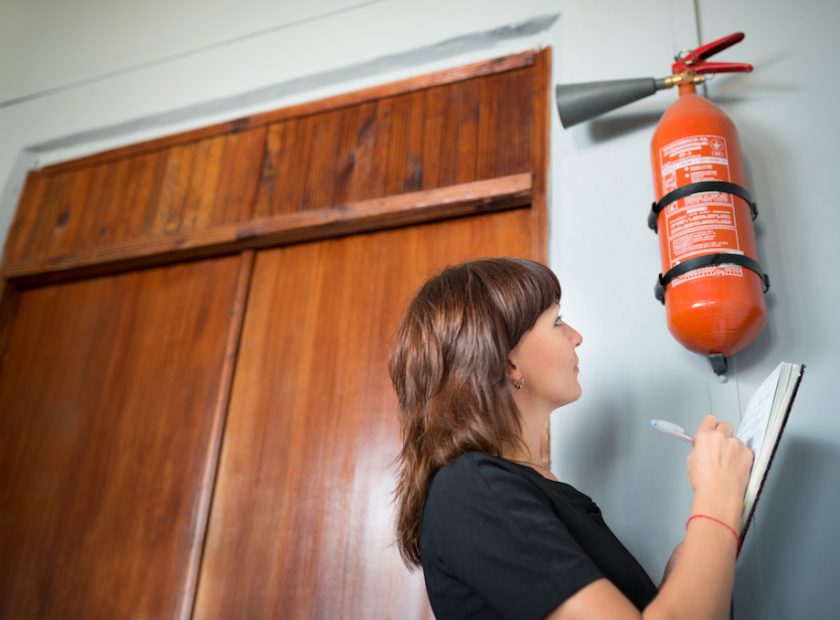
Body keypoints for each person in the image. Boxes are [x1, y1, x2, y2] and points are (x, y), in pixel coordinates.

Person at [388, 257, 754, 620]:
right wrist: (717, 497)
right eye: (557, 321)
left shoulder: (522, 487)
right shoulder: (475, 490)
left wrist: (690, 564)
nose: (576, 336)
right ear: (508, 361)